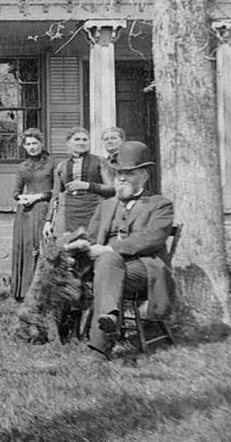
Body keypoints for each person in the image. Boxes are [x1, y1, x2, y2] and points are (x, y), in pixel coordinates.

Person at [65, 142, 174, 363]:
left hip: (143, 268)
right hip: (109, 269)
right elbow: (92, 235)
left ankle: (99, 351)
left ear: (144, 176)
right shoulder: (107, 205)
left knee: (107, 257)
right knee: (104, 261)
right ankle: (110, 317)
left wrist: (108, 248)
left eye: (129, 174)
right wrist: (80, 244)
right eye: (118, 174)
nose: (121, 178)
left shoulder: (160, 204)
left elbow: (152, 237)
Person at [44, 127, 114, 237]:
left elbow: (112, 189)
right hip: (68, 213)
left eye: (85, 140)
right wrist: (48, 221)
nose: (81, 143)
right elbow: (55, 196)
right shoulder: (62, 166)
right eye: (77, 139)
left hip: (94, 211)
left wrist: (87, 185)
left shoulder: (100, 161)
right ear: (68, 143)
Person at [11, 128, 54, 302]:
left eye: (35, 143)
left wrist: (37, 196)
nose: (32, 147)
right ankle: (23, 291)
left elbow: (56, 190)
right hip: (26, 213)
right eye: (28, 144)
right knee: (27, 248)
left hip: (44, 209)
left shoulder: (52, 163)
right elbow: (16, 191)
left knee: (42, 248)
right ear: (24, 146)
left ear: (41, 143)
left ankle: (42, 291)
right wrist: (22, 197)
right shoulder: (22, 167)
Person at [99, 126, 126, 194]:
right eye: (106, 139)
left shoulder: (128, 159)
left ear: (123, 140)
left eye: (113, 138)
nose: (109, 141)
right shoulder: (102, 162)